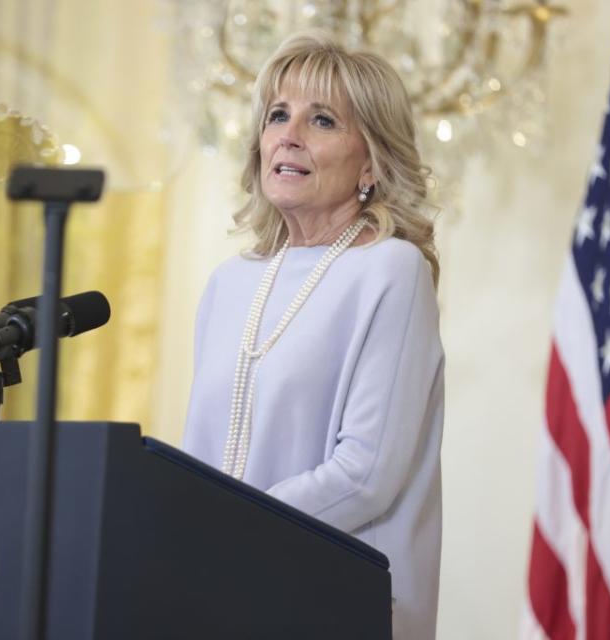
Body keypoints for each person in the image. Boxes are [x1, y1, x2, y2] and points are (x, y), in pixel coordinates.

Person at [182, 32, 444, 640]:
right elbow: (199, 456)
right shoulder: (230, 283)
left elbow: (365, 473)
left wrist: (221, 529)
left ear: (372, 162)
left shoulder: (391, 270)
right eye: (278, 115)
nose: (288, 135)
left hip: (331, 601)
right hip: (214, 593)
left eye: (321, 119)